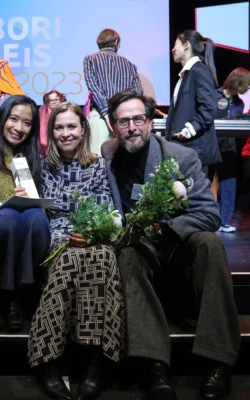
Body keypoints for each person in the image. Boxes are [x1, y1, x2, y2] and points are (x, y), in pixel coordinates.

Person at [102, 88, 240, 400]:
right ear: (113, 126)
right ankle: (153, 366)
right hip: (141, 253)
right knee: (126, 254)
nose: (132, 127)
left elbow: (209, 214)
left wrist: (167, 229)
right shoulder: (107, 156)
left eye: (139, 119)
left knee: (209, 244)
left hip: (179, 250)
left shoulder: (181, 157)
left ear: (151, 122)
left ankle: (218, 362)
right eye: (124, 122)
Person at [28, 102, 125, 400]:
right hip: (57, 233)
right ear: (51, 131)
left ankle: (96, 362)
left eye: (72, 126)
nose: (66, 133)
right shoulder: (42, 167)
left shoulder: (98, 164)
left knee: (102, 258)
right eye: (59, 127)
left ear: (83, 129)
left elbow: (106, 206)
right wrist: (72, 211)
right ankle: (47, 359)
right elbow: (43, 210)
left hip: (94, 231)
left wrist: (88, 225)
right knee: (69, 260)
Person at [0, 95, 51, 333]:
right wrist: (6, 199)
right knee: (8, 218)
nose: (19, 128)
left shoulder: (35, 160)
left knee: (37, 218)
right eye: (14, 119)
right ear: (2, 119)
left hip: (27, 224)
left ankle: (22, 295)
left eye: (27, 123)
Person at [166, 30, 221, 174]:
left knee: (194, 196)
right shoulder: (187, 74)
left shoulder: (199, 71)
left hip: (195, 152)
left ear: (186, 45)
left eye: (175, 44)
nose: (173, 49)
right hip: (185, 151)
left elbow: (209, 107)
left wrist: (190, 129)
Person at [83, 28, 141, 155]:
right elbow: (137, 92)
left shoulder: (90, 59)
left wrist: (106, 114)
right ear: (116, 42)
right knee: (123, 163)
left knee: (97, 162)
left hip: (100, 117)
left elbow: (93, 88)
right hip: (124, 119)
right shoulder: (130, 65)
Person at [209, 68, 250, 232]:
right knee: (205, 182)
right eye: (246, 84)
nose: (247, 88)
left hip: (229, 147)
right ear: (238, 81)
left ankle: (225, 222)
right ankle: (206, 219)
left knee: (229, 185)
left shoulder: (239, 103)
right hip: (211, 145)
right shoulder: (213, 95)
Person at [39, 90, 66, 154]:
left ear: (61, 100)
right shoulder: (41, 114)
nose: (54, 102)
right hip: (46, 147)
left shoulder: (66, 113)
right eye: (51, 100)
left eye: (56, 100)